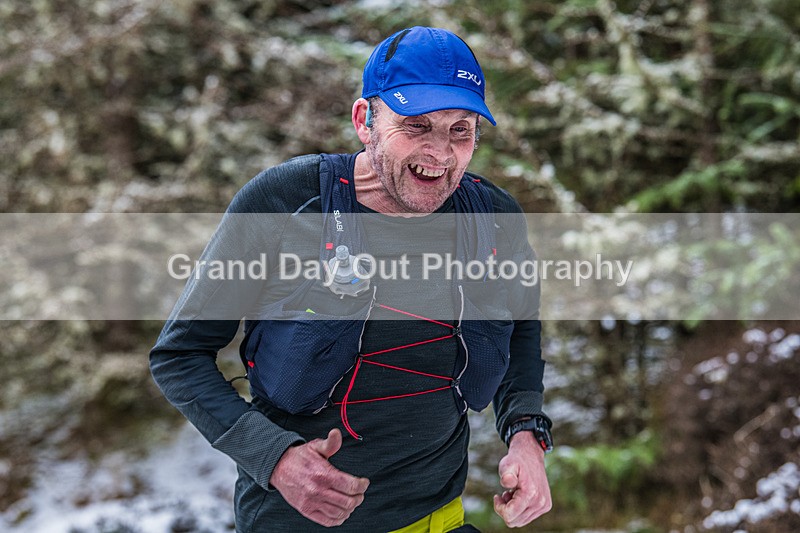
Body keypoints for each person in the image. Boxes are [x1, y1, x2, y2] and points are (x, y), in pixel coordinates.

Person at [150, 26, 552, 532]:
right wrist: (274, 459)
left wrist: (525, 434)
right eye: (416, 126)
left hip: (439, 519)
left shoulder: (491, 216)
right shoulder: (287, 201)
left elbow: (520, 330)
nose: (441, 153)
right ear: (365, 120)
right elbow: (179, 356)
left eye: (461, 130)